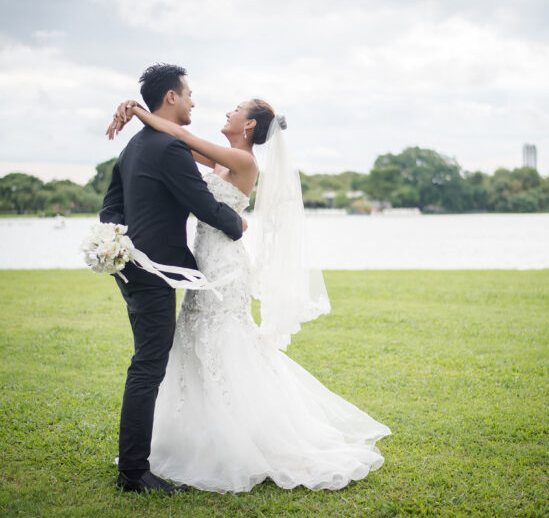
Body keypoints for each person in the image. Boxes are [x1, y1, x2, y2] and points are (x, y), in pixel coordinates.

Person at [107, 95, 391, 493]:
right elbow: (173, 142)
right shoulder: (222, 159)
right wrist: (139, 115)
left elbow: (175, 133)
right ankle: (202, 439)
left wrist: (139, 111)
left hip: (224, 265)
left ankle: (247, 442)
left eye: (235, 110)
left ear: (250, 126)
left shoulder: (243, 161)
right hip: (202, 264)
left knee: (224, 344)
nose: (227, 112)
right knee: (194, 344)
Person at [100, 63, 246, 494]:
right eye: (188, 94)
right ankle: (133, 473)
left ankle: (135, 465)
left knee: (148, 361)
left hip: (132, 267)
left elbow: (110, 206)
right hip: (153, 271)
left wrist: (116, 245)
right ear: (171, 97)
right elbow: (202, 204)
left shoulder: (134, 146)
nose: (193, 101)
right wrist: (237, 225)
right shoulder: (167, 147)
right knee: (148, 365)